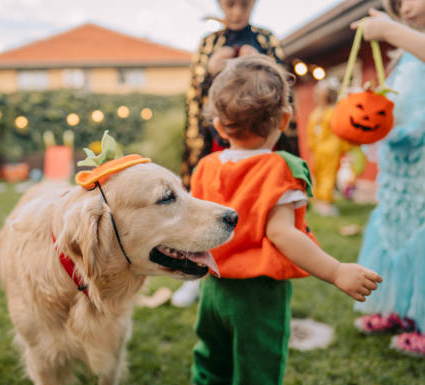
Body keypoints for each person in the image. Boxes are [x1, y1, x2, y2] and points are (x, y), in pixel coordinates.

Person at [184, 55, 382, 385]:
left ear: (218, 124)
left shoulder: (205, 168)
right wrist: (336, 271)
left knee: (212, 345)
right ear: (286, 119)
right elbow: (283, 234)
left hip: (214, 287)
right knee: (259, 358)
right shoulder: (279, 169)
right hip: (258, 294)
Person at [174, 0, 299, 307]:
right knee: (210, 199)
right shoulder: (209, 44)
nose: (237, 11)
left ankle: (258, 263)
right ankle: (200, 267)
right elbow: (194, 92)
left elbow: (283, 84)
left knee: (256, 201)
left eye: (244, 4)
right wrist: (211, 70)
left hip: (257, 138)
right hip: (218, 137)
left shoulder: (265, 39)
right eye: (230, 4)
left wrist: (259, 63)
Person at [351, 1, 425, 357]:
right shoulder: (406, 52)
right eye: (400, 1)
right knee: (397, 231)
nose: (406, 6)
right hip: (401, 162)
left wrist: (391, 30)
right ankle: (399, 310)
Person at [306, 78, 352, 216]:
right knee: (328, 176)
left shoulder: (315, 113)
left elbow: (311, 135)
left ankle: (318, 200)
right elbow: (340, 131)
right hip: (331, 150)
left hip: (319, 150)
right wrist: (345, 148)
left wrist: (312, 148)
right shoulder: (334, 113)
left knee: (319, 175)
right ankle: (325, 203)